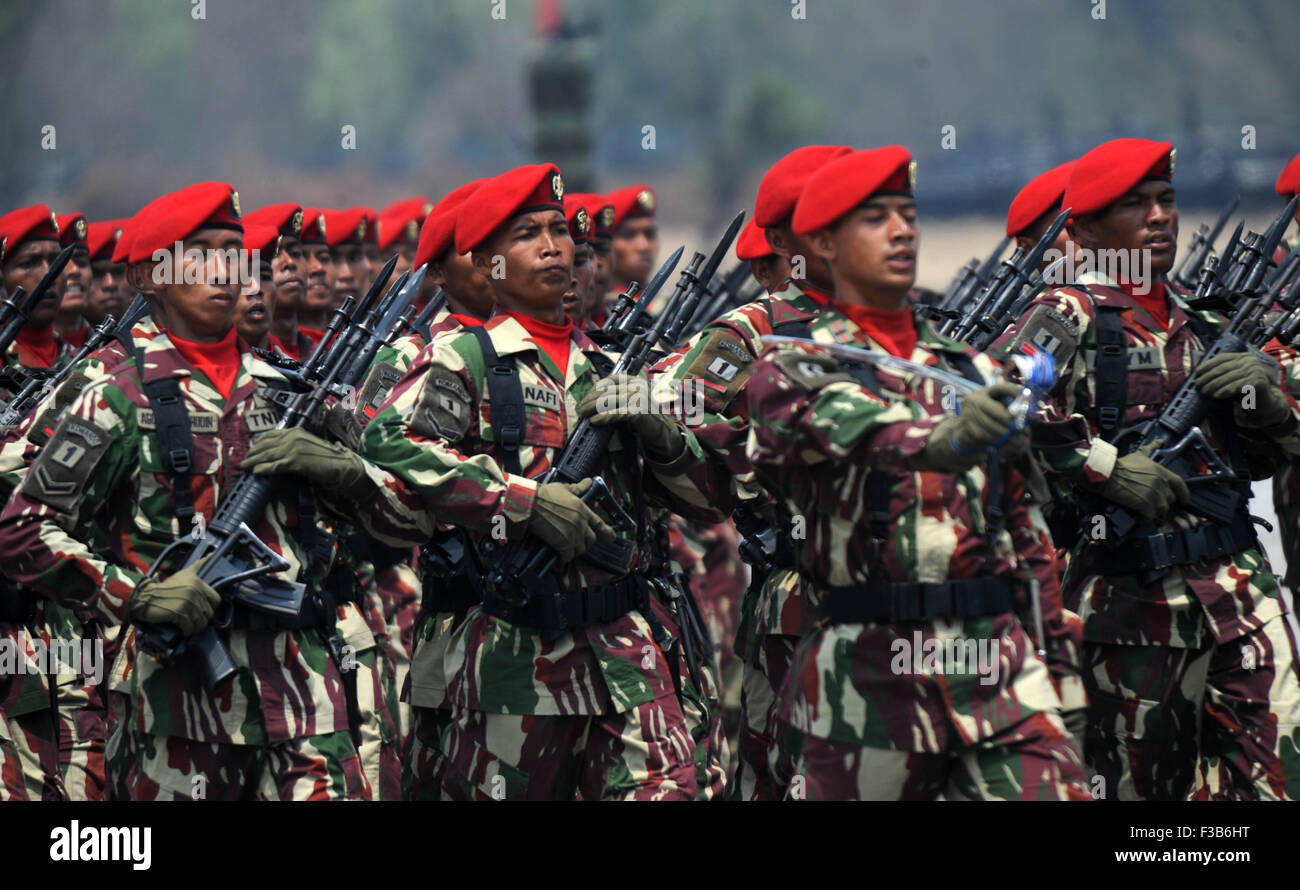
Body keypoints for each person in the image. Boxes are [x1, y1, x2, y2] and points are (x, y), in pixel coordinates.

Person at [0, 182, 429, 799]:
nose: (227, 269)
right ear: (152, 275)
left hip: (305, 698)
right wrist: (135, 595)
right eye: (199, 253)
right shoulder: (117, 393)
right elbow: (21, 530)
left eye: (235, 252)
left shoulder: (289, 394)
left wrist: (344, 471)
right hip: (178, 707)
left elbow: (409, 521)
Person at [360, 163, 730, 799]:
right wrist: (523, 502)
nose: (554, 246)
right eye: (527, 234)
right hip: (513, 661)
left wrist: (663, 435)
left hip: (626, 657)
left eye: (558, 230)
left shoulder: (611, 366)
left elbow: (706, 499)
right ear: (487, 262)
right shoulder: (464, 358)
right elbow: (390, 442)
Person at [743, 145, 1088, 800]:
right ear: (823, 243)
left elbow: (1024, 536)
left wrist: (1060, 675)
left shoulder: (971, 372)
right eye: (875, 219)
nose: (902, 230)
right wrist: (946, 435)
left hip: (996, 670)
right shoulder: (794, 366)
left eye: (907, 213)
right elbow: (855, 425)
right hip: (869, 679)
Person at [1005, 138, 1300, 799]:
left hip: (1239, 591)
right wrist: (1106, 467)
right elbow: (1011, 409)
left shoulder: (1207, 318)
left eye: (1166, 201)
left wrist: (1270, 401)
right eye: (1134, 205)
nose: (1159, 216)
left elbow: (1268, 454)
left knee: (1281, 776)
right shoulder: (1063, 317)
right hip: (1132, 599)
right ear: (1082, 229)